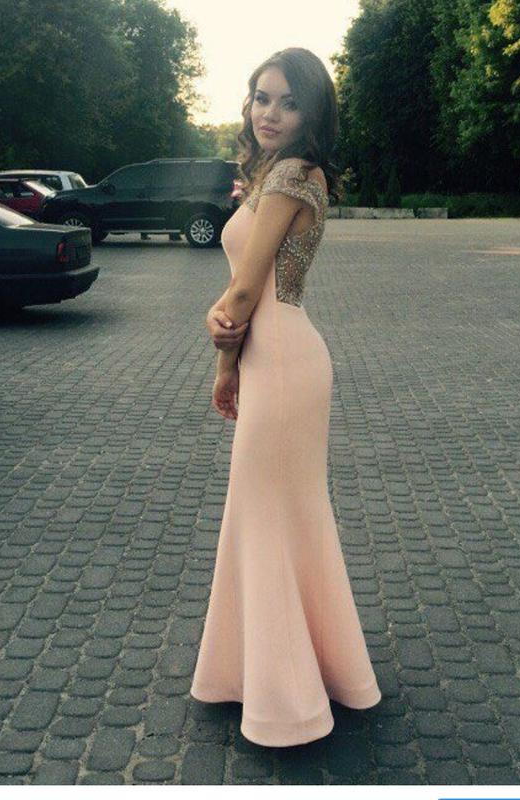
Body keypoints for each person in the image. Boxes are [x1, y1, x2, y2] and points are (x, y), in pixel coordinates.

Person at [189, 47, 382, 747]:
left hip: (280, 362)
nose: (268, 113)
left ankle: (287, 702)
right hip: (280, 356)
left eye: (288, 102)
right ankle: (302, 672)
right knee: (282, 517)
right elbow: (246, 287)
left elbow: (246, 292)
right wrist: (225, 332)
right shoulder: (278, 173)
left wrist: (223, 361)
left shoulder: (294, 174)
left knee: (268, 519)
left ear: (312, 113)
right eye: (261, 97)